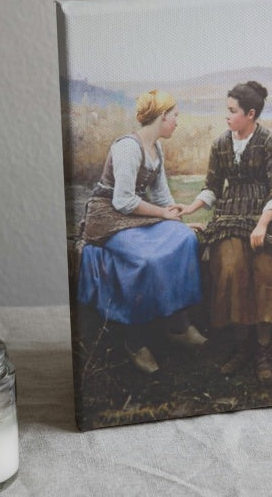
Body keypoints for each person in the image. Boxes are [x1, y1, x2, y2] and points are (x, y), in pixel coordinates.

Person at [77, 89, 206, 374]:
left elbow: (161, 196)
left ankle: (178, 326)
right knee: (145, 259)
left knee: (184, 239)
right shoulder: (127, 147)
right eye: (175, 117)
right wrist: (162, 215)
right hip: (107, 217)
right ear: (162, 117)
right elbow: (122, 201)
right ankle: (134, 342)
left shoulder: (156, 148)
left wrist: (178, 222)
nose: (177, 122)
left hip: (135, 214)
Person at [180, 81, 272, 383]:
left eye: (233, 111)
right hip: (229, 217)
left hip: (262, 218)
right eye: (227, 110)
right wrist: (190, 208)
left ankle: (263, 350)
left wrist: (262, 224)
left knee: (266, 271)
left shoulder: (269, 142)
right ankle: (242, 346)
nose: (227, 117)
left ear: (251, 114)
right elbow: (212, 188)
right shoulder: (220, 144)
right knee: (232, 270)